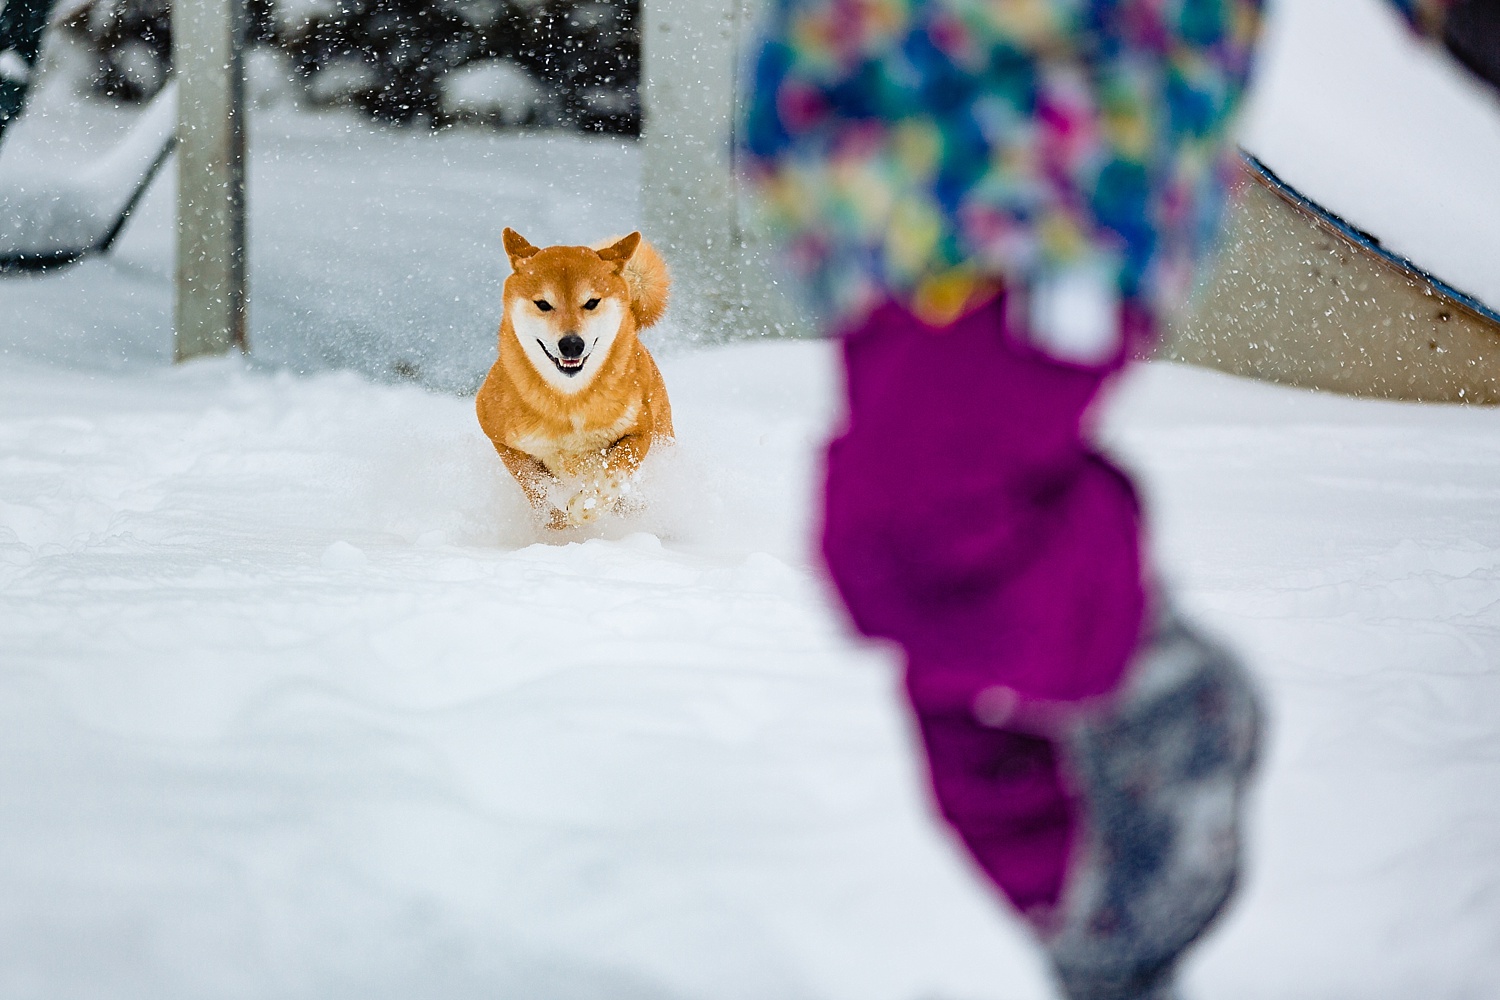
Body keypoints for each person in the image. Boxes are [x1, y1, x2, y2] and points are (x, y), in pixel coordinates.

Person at [741, 2, 1499, 997]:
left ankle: (1151, 677)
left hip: (1040, 148)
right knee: (944, 649)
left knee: (914, 534)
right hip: (879, 146)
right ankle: (1094, 934)